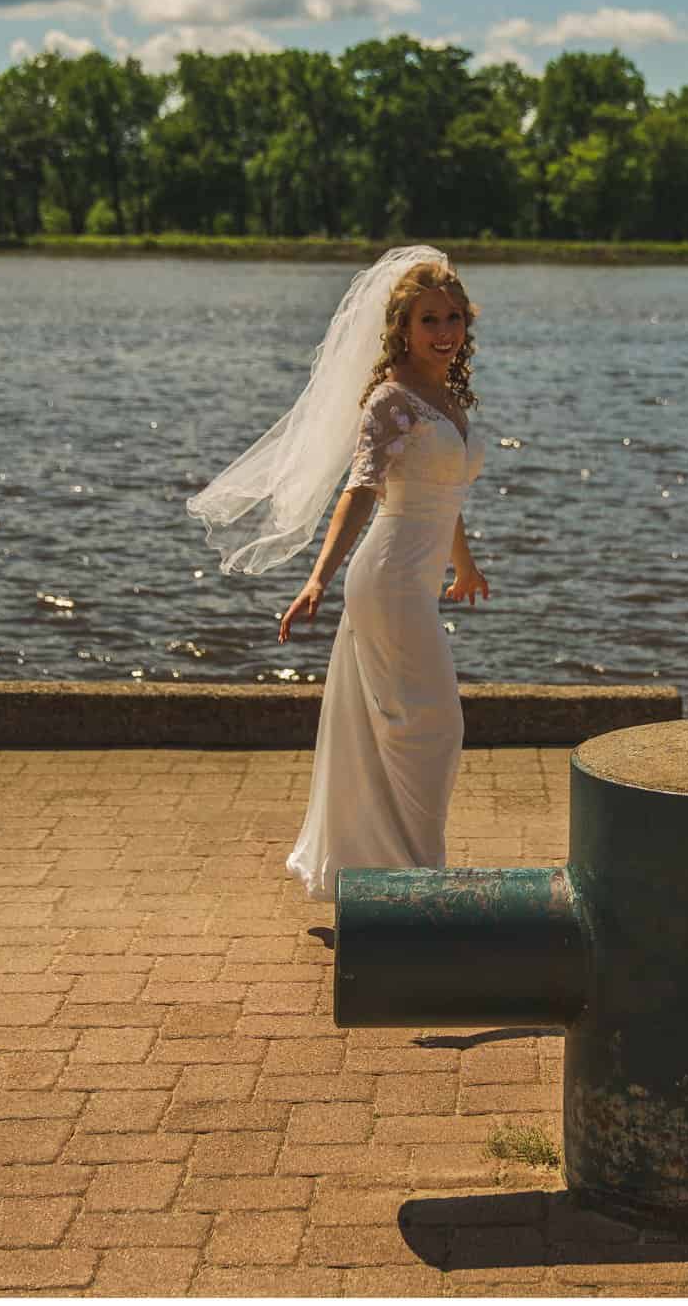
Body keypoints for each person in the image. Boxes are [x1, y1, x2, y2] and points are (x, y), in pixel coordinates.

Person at [188, 247, 491, 901]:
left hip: (417, 581)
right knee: (434, 728)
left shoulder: (447, 393)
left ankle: (397, 877)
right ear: (403, 330)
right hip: (385, 580)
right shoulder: (392, 399)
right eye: (429, 320)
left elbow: (447, 491)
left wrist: (463, 563)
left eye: (453, 318)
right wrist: (318, 578)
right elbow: (359, 492)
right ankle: (411, 880)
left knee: (420, 730)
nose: (444, 332)